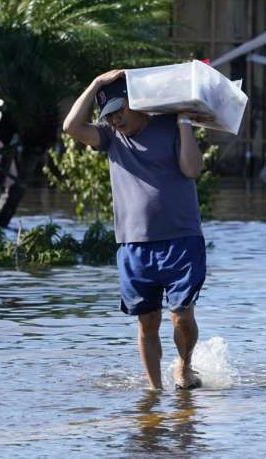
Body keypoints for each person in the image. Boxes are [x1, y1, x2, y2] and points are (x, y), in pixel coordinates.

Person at [62, 69, 208, 390]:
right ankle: (154, 392)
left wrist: (184, 122)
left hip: (181, 239)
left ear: (136, 102)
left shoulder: (170, 126)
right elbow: (70, 127)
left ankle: (184, 367)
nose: (115, 119)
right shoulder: (110, 136)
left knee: (181, 315)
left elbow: (192, 169)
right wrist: (96, 83)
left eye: (119, 110)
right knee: (148, 322)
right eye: (108, 114)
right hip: (134, 245)